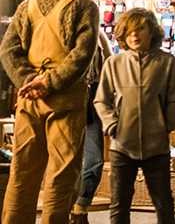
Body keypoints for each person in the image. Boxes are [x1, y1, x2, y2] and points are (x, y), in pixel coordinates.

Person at [0, 0, 99, 224]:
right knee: (61, 174)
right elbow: (82, 55)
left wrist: (29, 80)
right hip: (65, 100)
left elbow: (8, 50)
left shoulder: (26, 6)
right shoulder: (84, 6)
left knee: (23, 173)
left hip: (29, 99)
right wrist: (50, 81)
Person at [94, 8, 175, 224]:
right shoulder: (113, 64)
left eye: (140, 29)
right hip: (122, 146)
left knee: (163, 203)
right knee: (119, 204)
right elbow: (101, 100)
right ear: (123, 34)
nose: (134, 35)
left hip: (157, 146)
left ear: (151, 32)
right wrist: (112, 124)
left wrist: (166, 125)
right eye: (129, 31)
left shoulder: (166, 62)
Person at [70, 29, 113, 224]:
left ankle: (80, 208)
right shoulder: (60, 33)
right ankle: (67, 208)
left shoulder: (98, 34)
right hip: (65, 97)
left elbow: (109, 67)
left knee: (94, 159)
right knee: (66, 160)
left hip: (92, 98)